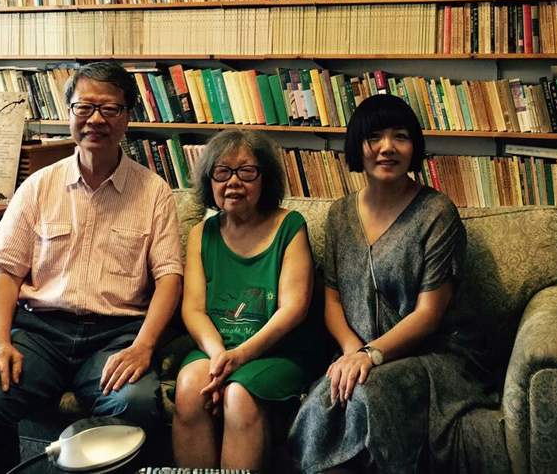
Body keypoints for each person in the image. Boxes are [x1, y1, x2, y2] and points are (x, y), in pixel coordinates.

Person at [0, 62, 184, 474]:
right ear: (69, 112)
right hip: (40, 334)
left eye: (110, 109)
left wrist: (143, 346)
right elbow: (6, 273)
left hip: (115, 335)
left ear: (128, 116)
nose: (96, 119)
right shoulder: (38, 186)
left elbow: (169, 279)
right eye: (84, 107)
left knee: (135, 406)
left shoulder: (154, 193)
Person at [288, 94, 509, 473]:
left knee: (366, 394)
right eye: (374, 137)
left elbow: (429, 314)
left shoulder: (436, 213)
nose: (387, 147)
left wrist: (370, 355)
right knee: (327, 396)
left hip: (436, 355)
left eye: (400, 136)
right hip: (362, 351)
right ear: (357, 146)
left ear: (414, 147)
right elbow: (332, 299)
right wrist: (352, 350)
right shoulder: (340, 214)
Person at [173, 129, 318, 471]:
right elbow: (193, 309)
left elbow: (293, 309)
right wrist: (219, 357)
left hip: (277, 352)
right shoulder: (200, 234)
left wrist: (239, 357)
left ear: (264, 178)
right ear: (209, 180)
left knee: (238, 394)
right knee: (190, 386)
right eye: (222, 172)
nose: (233, 182)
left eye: (247, 171)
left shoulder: (290, 226)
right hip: (216, 348)